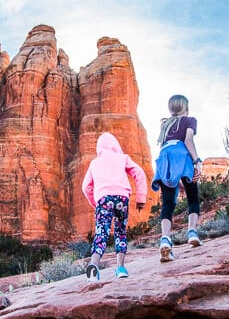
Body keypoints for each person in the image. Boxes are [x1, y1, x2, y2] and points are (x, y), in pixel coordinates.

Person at [81, 132, 147, 282]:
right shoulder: (122, 158)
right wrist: (141, 197)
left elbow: (86, 187)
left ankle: (93, 266)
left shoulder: (95, 163)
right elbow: (139, 172)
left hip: (104, 199)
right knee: (120, 232)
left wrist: (95, 203)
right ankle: (121, 268)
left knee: (101, 233)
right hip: (122, 197)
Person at [151, 94, 202, 262]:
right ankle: (192, 232)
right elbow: (188, 141)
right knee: (193, 197)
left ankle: (165, 238)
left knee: (168, 202)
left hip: (165, 157)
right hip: (182, 156)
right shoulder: (189, 120)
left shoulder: (165, 124)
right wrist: (197, 161)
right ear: (185, 107)